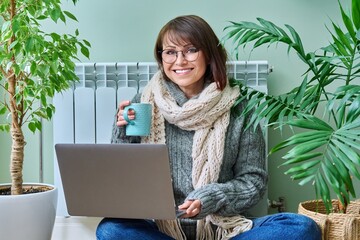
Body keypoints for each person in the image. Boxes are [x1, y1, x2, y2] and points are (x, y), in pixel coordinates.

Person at [96, 15, 321, 240]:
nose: (180, 61)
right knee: (111, 229)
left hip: (224, 228)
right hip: (159, 229)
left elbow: (254, 181)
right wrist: (122, 132)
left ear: (209, 54)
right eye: (170, 52)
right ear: (161, 57)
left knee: (301, 227)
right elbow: (123, 179)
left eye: (191, 50)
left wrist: (213, 197)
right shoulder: (143, 102)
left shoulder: (239, 107)